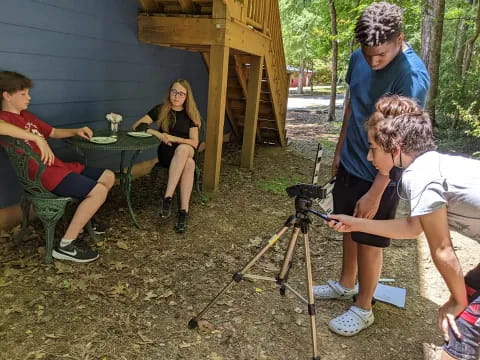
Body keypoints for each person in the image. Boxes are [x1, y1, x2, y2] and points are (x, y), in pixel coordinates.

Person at [326, 95, 480, 360]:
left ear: (395, 146)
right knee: (469, 290)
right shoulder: (431, 165)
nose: (368, 156)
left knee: (459, 336)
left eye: (373, 148)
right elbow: (412, 228)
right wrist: (355, 224)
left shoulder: (421, 175)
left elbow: (443, 249)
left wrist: (457, 301)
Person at [312, 1, 430, 336]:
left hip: (383, 170)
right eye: (367, 54)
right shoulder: (358, 58)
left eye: (381, 55)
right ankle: (346, 284)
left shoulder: (411, 75)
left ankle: (364, 306)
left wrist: (378, 189)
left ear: (399, 40)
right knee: (346, 224)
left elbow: (403, 142)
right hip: (352, 158)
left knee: (370, 236)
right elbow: (353, 103)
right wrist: (339, 150)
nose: (373, 62)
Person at [0, 70, 115, 263]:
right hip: (43, 175)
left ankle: (86, 219)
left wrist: (75, 131)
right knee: (99, 191)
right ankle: (66, 246)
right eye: (23, 94)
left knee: (108, 176)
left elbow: (52, 132)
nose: (29, 97)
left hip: (57, 167)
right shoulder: (5, 118)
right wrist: (36, 137)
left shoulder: (27, 116)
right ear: (7, 95)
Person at [132, 79, 201, 233]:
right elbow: (137, 126)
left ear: (187, 96)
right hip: (167, 153)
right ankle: (184, 212)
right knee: (189, 164)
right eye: (174, 92)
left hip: (186, 149)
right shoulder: (161, 109)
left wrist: (174, 138)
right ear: (169, 92)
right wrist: (158, 134)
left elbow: (194, 143)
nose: (176, 96)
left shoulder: (191, 114)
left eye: (181, 94)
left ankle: (167, 197)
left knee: (183, 150)